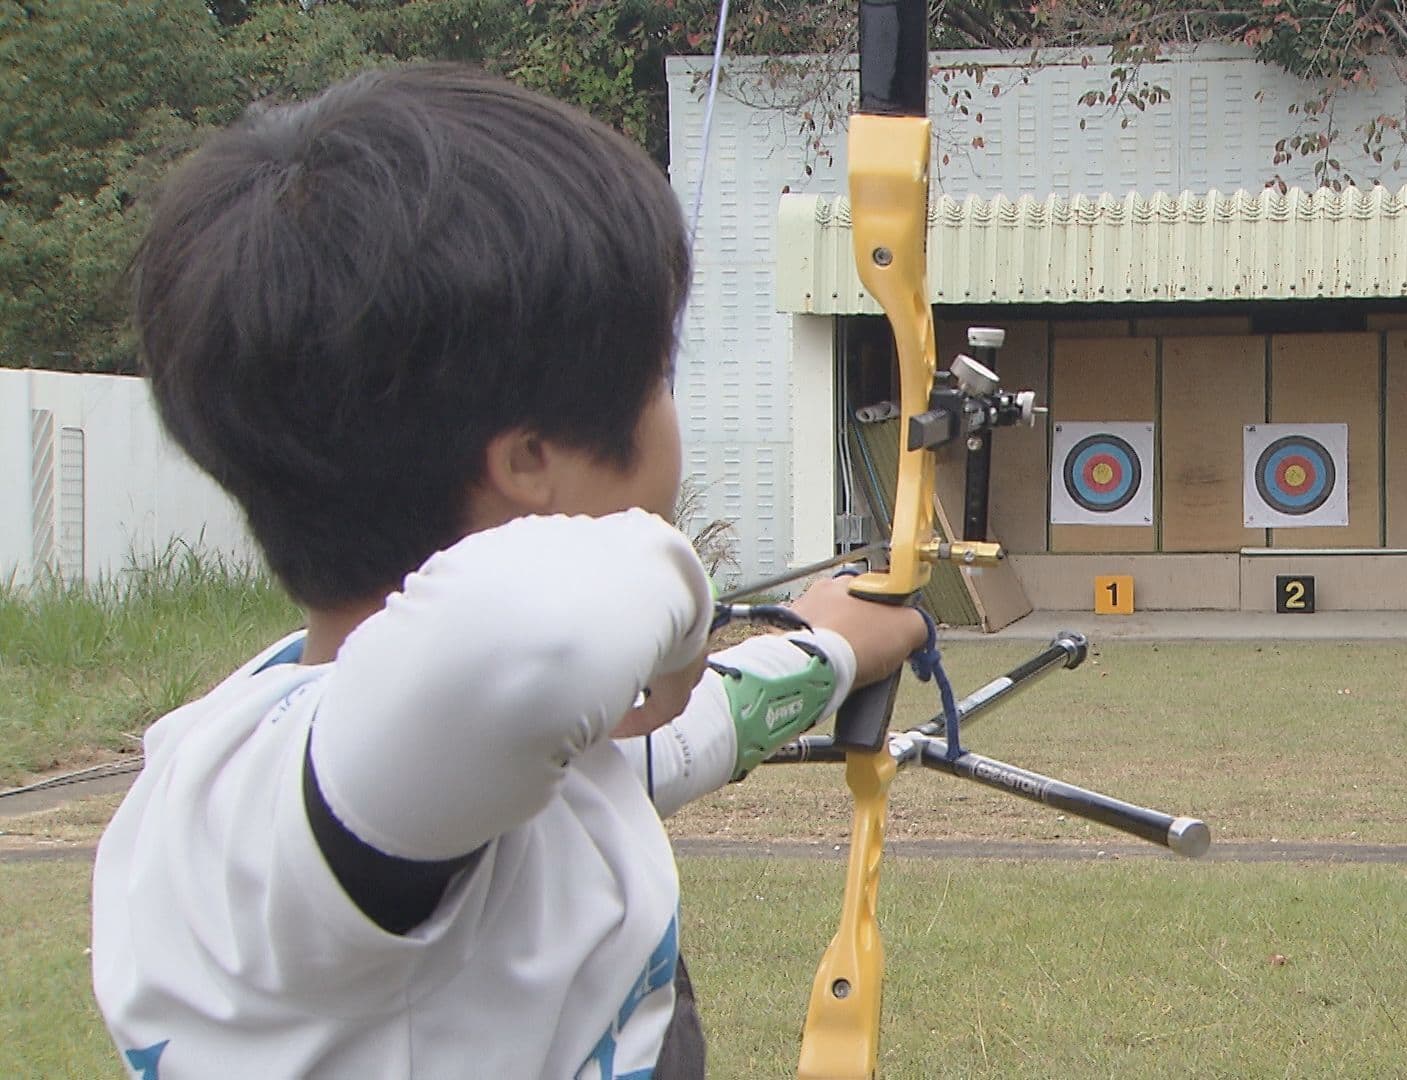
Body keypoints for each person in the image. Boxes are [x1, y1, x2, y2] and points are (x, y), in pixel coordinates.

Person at [91, 64, 927, 1079]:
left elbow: (661, 744)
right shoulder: (284, 811)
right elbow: (536, 644)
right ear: (531, 460)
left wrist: (826, 647)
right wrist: (675, 594)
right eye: (658, 374)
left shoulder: (434, 760)